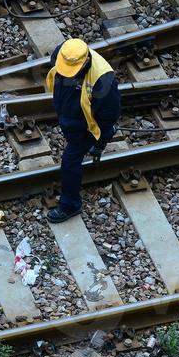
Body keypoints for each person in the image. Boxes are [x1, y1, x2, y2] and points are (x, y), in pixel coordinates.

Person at [46, 37, 121, 223]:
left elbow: (108, 115)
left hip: (85, 128)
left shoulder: (104, 81)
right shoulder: (64, 52)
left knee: (69, 162)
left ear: (85, 61)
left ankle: (70, 205)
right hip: (69, 116)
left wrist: (101, 138)